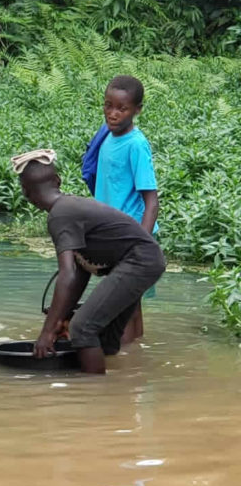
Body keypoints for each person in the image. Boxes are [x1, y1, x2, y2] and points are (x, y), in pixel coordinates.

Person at [13, 150, 165, 374]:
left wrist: (47, 332)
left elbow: (67, 275)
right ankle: (118, 390)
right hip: (147, 260)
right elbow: (80, 271)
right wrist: (60, 319)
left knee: (82, 328)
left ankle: (95, 396)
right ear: (58, 181)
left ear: (25, 192)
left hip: (138, 261)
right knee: (104, 338)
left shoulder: (60, 215)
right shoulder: (69, 208)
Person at [95, 75, 160, 343]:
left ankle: (124, 359)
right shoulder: (106, 136)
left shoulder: (136, 145)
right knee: (130, 304)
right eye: (108, 105)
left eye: (121, 108)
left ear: (137, 110)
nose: (112, 113)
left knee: (125, 304)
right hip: (113, 235)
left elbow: (152, 201)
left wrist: (141, 245)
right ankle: (135, 355)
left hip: (132, 236)